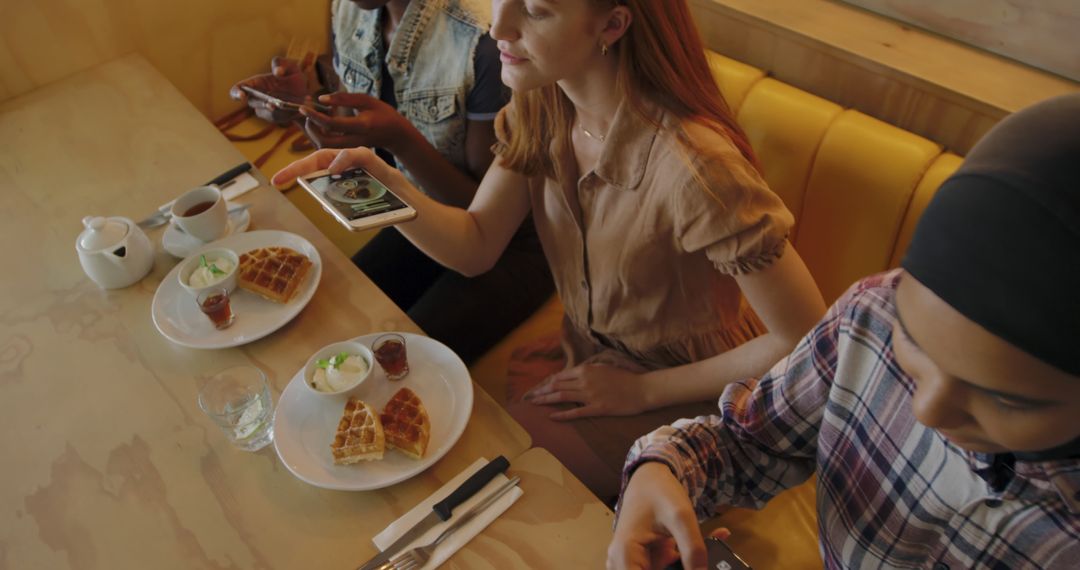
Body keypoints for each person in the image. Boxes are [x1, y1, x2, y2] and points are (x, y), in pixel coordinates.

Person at [272, 0, 826, 499]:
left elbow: (805, 337)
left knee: (492, 475)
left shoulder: (695, 167)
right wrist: (381, 180)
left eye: (534, 11)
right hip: (594, 355)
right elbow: (477, 245)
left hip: (700, 385)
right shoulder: (541, 106)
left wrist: (640, 391)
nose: (498, 27)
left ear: (612, 23)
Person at [608, 94, 1080, 570]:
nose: (927, 408)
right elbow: (748, 443)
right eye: (914, 341)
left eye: (1006, 400)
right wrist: (662, 469)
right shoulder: (871, 319)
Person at [230, 0, 554, 364]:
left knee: (397, 359)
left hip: (515, 240)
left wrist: (399, 140)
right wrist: (303, 106)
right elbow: (356, 132)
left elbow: (482, 215)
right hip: (420, 204)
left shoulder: (482, 43)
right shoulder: (351, 10)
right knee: (331, 312)